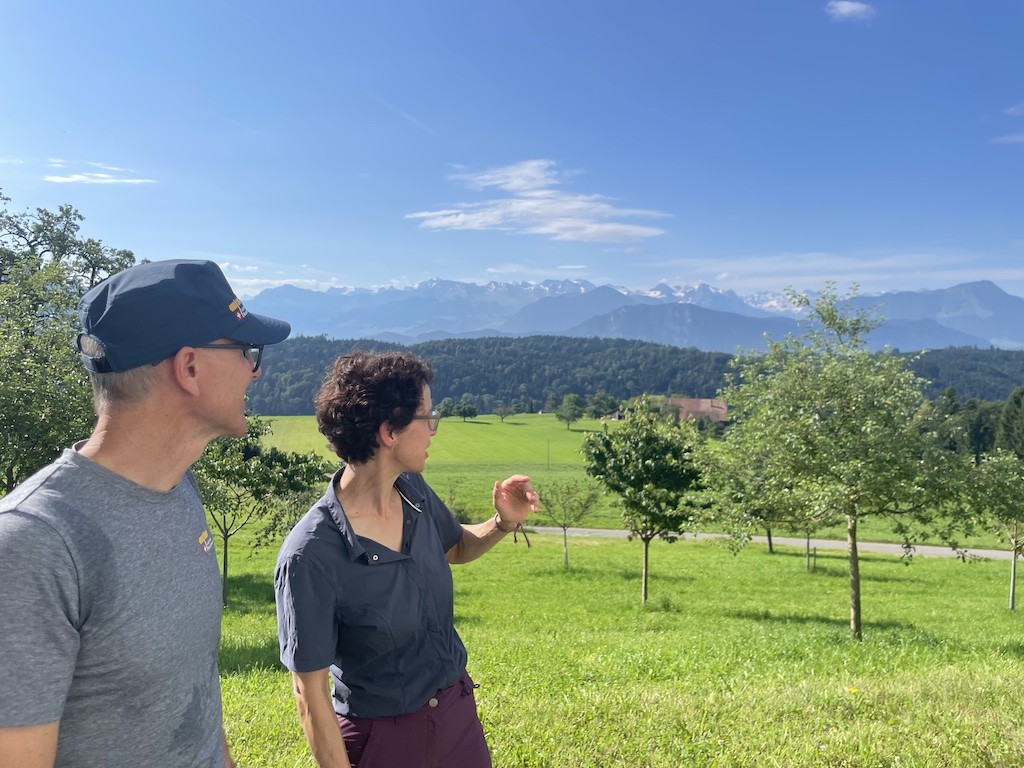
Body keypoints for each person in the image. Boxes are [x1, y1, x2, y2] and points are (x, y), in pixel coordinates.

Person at [0, 259, 291, 768]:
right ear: (190, 368)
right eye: (247, 351)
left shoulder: (179, 488)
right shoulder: (34, 545)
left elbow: (193, 695)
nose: (255, 368)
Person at [275, 351, 540, 768]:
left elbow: (453, 547)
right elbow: (309, 695)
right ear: (389, 432)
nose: (434, 429)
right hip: (383, 740)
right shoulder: (310, 555)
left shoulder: (412, 490)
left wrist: (502, 523)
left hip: (456, 721)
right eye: (427, 416)